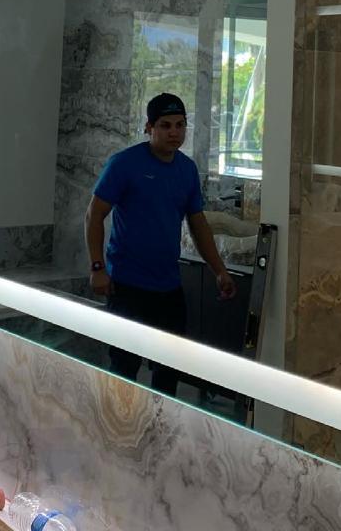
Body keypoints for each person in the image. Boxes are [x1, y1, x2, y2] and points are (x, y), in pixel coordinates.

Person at [84, 92, 237, 396]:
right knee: (124, 369)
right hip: (127, 286)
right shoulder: (124, 164)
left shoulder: (187, 170)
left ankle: (158, 424)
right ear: (149, 127)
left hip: (169, 288)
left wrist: (220, 270)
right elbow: (94, 215)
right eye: (165, 125)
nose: (174, 132)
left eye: (180, 125)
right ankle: (118, 424)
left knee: (168, 372)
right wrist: (97, 267)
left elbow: (198, 224)